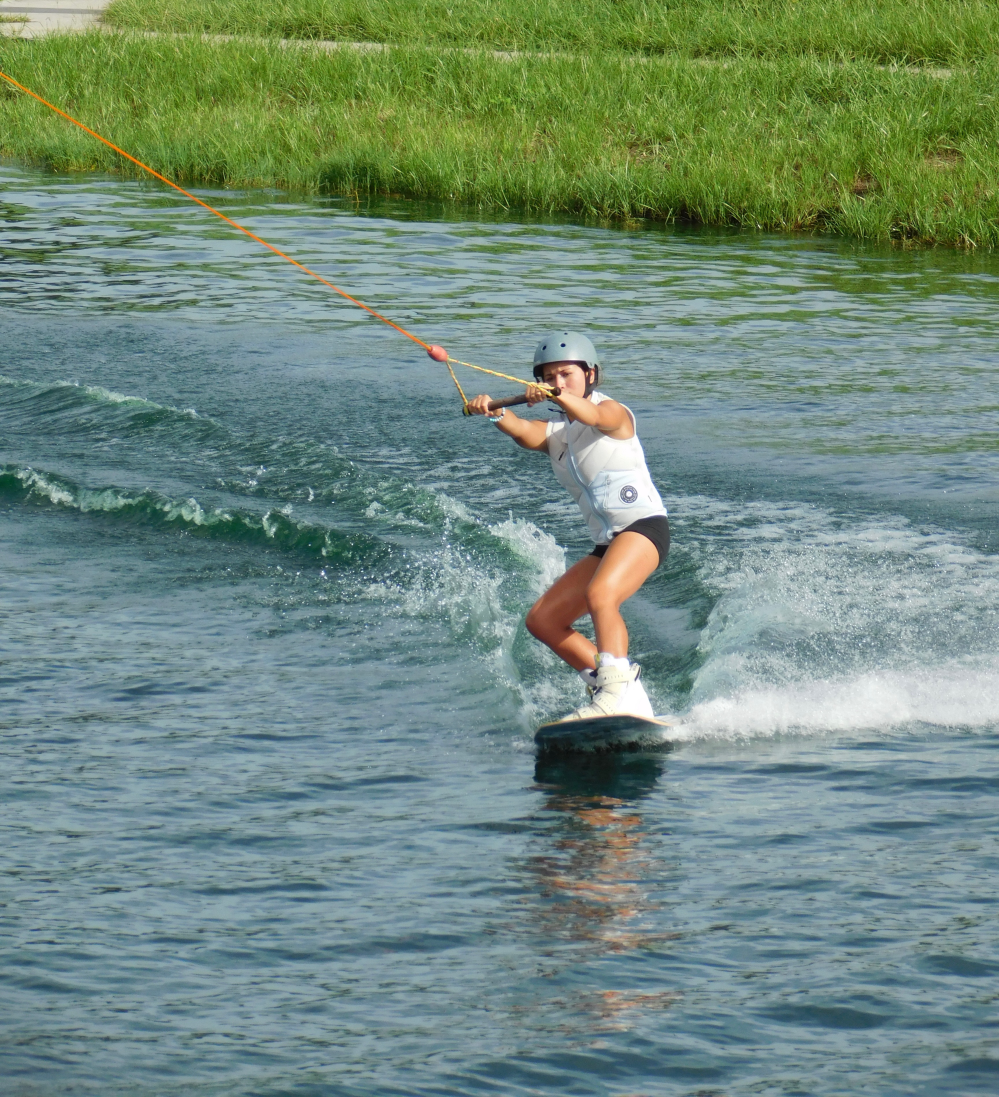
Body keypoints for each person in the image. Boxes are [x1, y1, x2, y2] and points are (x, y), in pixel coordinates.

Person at [465, 332, 669, 722]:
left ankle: (616, 691)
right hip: (608, 544)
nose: (558, 383)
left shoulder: (614, 413)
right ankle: (613, 686)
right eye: (550, 377)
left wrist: (558, 397)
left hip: (644, 529)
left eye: (567, 375)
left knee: (601, 594)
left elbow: (593, 415)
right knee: (542, 620)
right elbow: (524, 430)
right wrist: (493, 411)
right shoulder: (559, 435)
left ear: (590, 375)